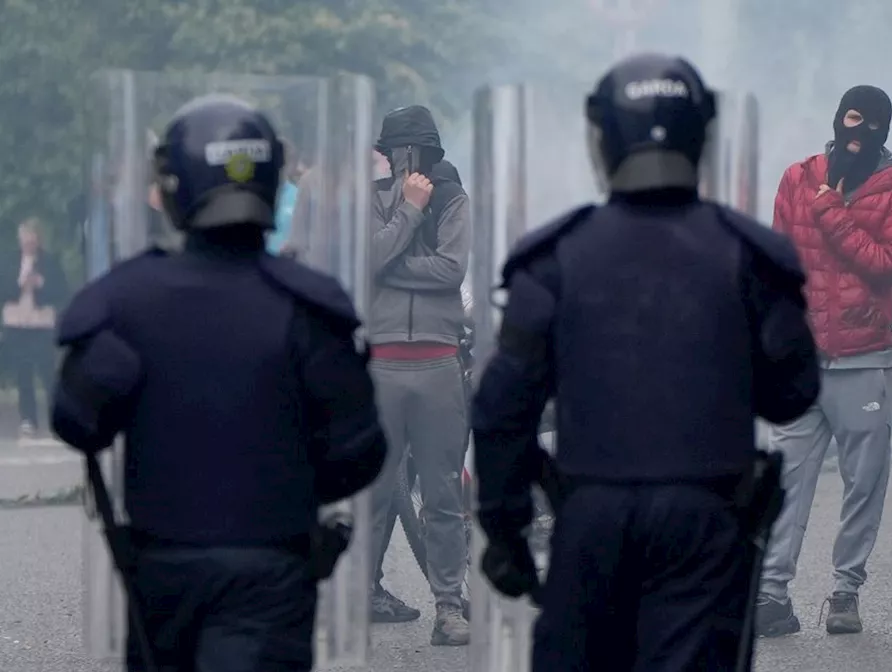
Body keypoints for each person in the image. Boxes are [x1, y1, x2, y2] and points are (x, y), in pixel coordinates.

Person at [470, 53, 820, 671]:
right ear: (699, 137)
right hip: (707, 520)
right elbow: (791, 393)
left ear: (602, 139)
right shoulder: (750, 255)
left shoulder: (556, 257)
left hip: (590, 514)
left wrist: (505, 529)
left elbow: (503, 409)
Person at [49, 94, 387, 671]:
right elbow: (359, 454)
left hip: (162, 573)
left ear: (175, 185)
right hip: (271, 570)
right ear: (269, 178)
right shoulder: (307, 307)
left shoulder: (127, 300)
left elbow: (76, 422)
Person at [756, 84, 892, 638]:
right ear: (835, 120)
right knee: (787, 484)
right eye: (852, 120)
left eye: (872, 127)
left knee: (863, 482)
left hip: (863, 358)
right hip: (802, 361)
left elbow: (885, 264)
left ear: (885, 133)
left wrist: (831, 209)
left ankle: (845, 592)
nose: (860, 135)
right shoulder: (796, 177)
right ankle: (772, 597)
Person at [364, 104, 473, 642]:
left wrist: (390, 263)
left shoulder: (454, 199)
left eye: (396, 150)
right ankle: (362, 596)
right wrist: (408, 211)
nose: (390, 159)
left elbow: (453, 269)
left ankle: (449, 608)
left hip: (436, 362)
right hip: (381, 363)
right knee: (374, 493)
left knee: (443, 496)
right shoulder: (374, 200)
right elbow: (364, 259)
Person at [1, 219, 68, 438]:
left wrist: (41, 284)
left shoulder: (50, 261)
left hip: (41, 323)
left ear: (38, 238)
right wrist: (20, 282)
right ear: (19, 238)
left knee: (47, 372)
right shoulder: (9, 261)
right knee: (23, 373)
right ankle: (28, 419)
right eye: (25, 236)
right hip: (17, 323)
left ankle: (55, 418)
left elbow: (61, 291)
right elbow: (3, 289)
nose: (28, 241)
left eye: (32, 236)